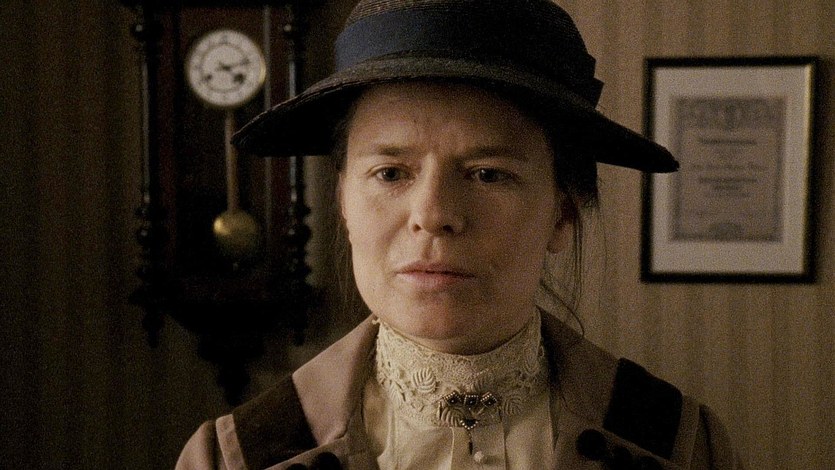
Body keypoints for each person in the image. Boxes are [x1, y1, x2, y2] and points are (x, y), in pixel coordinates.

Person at [177, 0, 742, 469]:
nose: (433, 214)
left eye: (488, 174)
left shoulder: (681, 446)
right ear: (343, 201)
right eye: (390, 173)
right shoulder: (233, 457)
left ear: (562, 215)